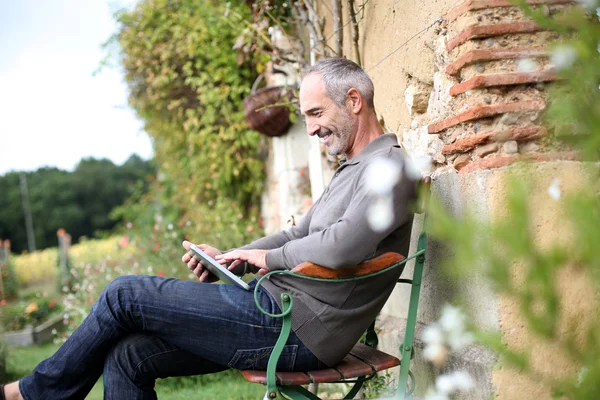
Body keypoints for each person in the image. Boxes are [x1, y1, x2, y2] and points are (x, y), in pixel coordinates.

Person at [1, 58, 417, 400]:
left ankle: (33, 393)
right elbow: (298, 235)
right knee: (128, 356)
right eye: (306, 116)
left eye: (315, 113)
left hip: (298, 329)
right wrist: (236, 255)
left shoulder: (391, 167)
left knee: (124, 294)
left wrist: (266, 259)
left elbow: (344, 246)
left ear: (354, 101)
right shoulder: (355, 169)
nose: (309, 128)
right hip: (275, 310)